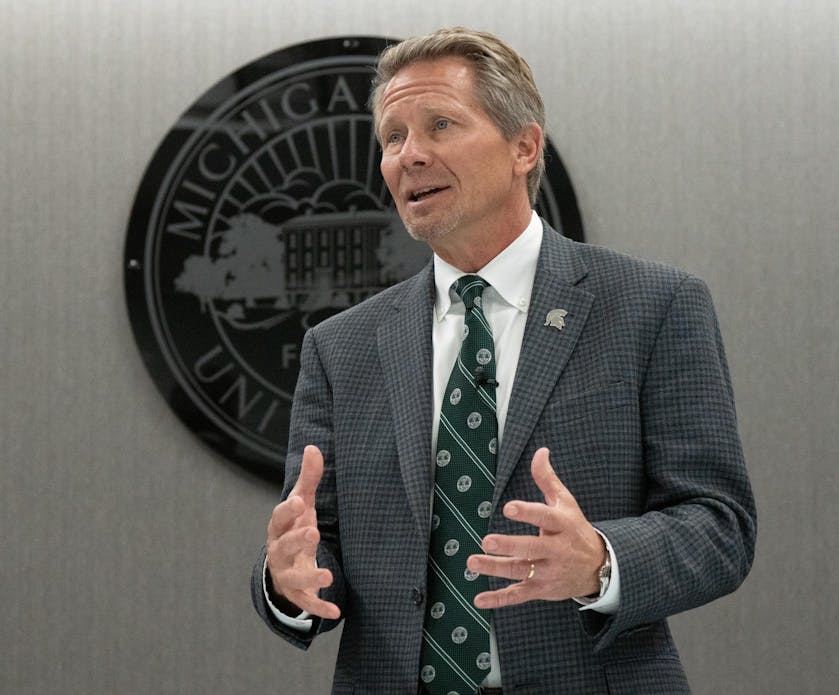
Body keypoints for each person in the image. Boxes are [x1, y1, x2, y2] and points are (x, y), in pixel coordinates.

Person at [251, 26, 755, 694]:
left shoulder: (652, 307)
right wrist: (289, 579)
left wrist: (601, 561)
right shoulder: (341, 347)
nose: (410, 155)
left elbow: (719, 525)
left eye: (440, 125)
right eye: (393, 138)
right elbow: (323, 546)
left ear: (525, 146)